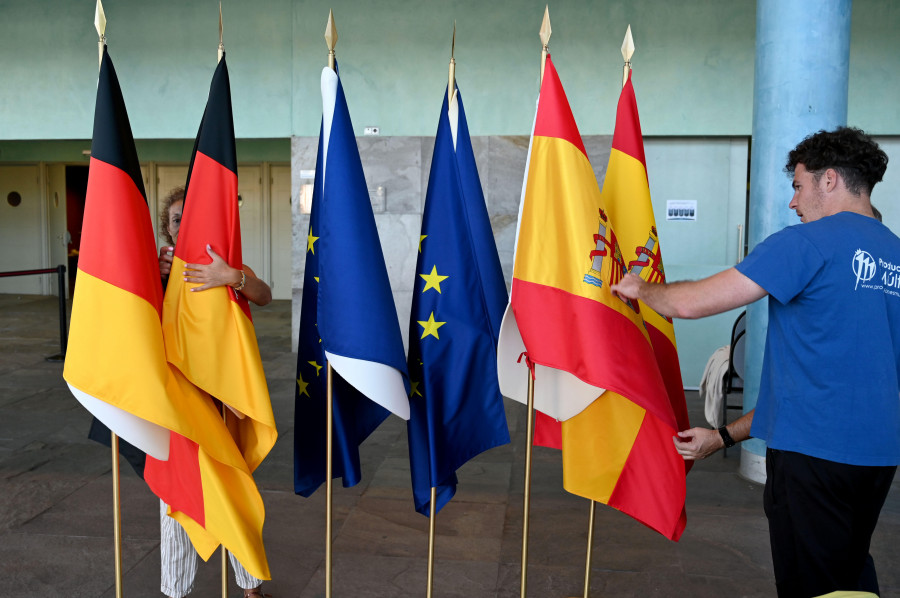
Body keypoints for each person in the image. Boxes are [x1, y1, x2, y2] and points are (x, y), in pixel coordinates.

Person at [611, 127, 898, 598]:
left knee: (813, 584)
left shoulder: (807, 243)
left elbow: (693, 303)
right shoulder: (895, 255)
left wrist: (642, 290)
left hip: (814, 461)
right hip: (878, 458)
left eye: (798, 186)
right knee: (848, 572)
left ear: (829, 181)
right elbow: (822, 385)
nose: (793, 202)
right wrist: (721, 436)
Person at [157, 186, 272, 598]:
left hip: (224, 401)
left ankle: (250, 586)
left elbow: (264, 295)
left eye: (190, 215)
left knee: (234, 488)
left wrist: (230, 278)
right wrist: (155, 276)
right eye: (175, 219)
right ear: (168, 232)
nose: (183, 223)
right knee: (179, 495)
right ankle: (175, 589)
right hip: (180, 403)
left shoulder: (225, 262)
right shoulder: (161, 271)